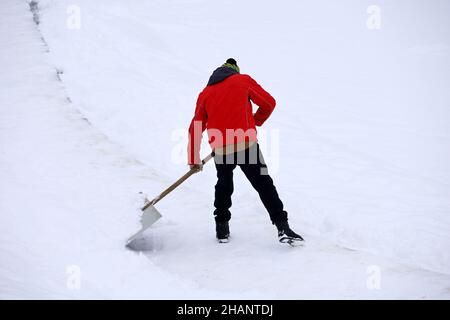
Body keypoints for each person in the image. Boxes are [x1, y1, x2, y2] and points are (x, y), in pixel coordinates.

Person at [188, 58, 303, 245]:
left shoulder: (205, 93)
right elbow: (269, 103)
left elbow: (196, 126)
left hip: (221, 149)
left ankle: (222, 229)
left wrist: (193, 158)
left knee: (224, 185)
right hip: (246, 144)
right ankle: (283, 226)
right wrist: (255, 120)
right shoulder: (242, 80)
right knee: (264, 184)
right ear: (235, 71)